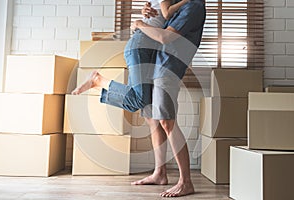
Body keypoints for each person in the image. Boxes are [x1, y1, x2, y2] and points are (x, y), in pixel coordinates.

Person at [72, 0, 206, 197]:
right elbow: (164, 17)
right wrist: (147, 13)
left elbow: (165, 37)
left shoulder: (193, 6)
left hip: (167, 69)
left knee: (167, 122)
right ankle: (159, 173)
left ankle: (186, 182)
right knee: (153, 121)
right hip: (156, 64)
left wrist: (140, 24)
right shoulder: (180, 5)